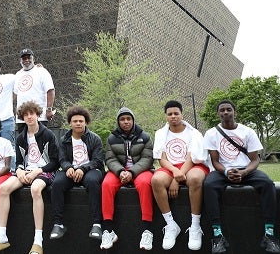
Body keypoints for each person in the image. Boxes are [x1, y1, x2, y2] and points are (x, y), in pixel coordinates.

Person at [203, 100, 280, 254]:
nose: (225, 112)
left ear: (234, 112)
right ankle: (218, 236)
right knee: (209, 185)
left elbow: (255, 160)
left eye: (229, 109)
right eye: (222, 110)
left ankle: (269, 234)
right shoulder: (211, 133)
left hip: (246, 170)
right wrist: (226, 172)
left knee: (267, 184)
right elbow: (215, 161)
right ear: (218, 114)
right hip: (223, 171)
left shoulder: (247, 132)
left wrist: (244, 172)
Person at [0, 101, 59, 254]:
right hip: (25, 171)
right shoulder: (20, 137)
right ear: (22, 117)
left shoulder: (48, 134)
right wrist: (19, 171)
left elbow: (55, 162)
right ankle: (2, 236)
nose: (29, 117)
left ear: (37, 114)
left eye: (32, 113)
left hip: (44, 171)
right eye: (26, 114)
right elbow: (19, 162)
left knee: (36, 189)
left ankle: (38, 241)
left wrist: (37, 171)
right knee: (3, 188)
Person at [151, 100, 209, 251]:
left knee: (195, 178)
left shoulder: (193, 133)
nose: (173, 116)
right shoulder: (161, 133)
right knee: (156, 180)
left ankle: (195, 226)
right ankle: (171, 225)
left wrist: (177, 178)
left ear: (182, 114)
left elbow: (191, 158)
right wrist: (175, 173)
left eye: (176, 113)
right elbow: (162, 159)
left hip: (192, 165)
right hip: (171, 168)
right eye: (169, 114)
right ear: (166, 116)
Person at [100, 107, 154, 251]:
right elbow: (110, 159)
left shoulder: (145, 137)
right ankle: (108, 230)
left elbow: (148, 159)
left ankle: (147, 230)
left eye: (128, 119)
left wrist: (132, 172)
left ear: (133, 120)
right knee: (106, 184)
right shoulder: (112, 138)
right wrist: (120, 172)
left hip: (140, 170)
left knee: (144, 184)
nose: (126, 122)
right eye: (122, 119)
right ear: (118, 122)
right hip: (120, 171)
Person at [50, 106, 104, 241]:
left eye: (81, 121)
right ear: (70, 123)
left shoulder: (95, 139)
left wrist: (83, 169)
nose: (78, 123)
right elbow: (61, 159)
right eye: (75, 121)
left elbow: (97, 160)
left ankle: (97, 224)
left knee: (92, 182)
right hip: (71, 171)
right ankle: (58, 223)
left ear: (86, 122)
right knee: (57, 183)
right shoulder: (63, 139)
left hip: (90, 170)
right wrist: (68, 167)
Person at [14, 49, 55, 129]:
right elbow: (15, 94)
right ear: (20, 61)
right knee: (24, 141)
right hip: (22, 118)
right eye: (24, 58)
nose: (27, 60)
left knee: (39, 140)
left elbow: (50, 90)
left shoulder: (42, 71)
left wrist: (49, 109)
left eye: (29, 58)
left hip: (39, 117)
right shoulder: (18, 74)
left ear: (33, 59)